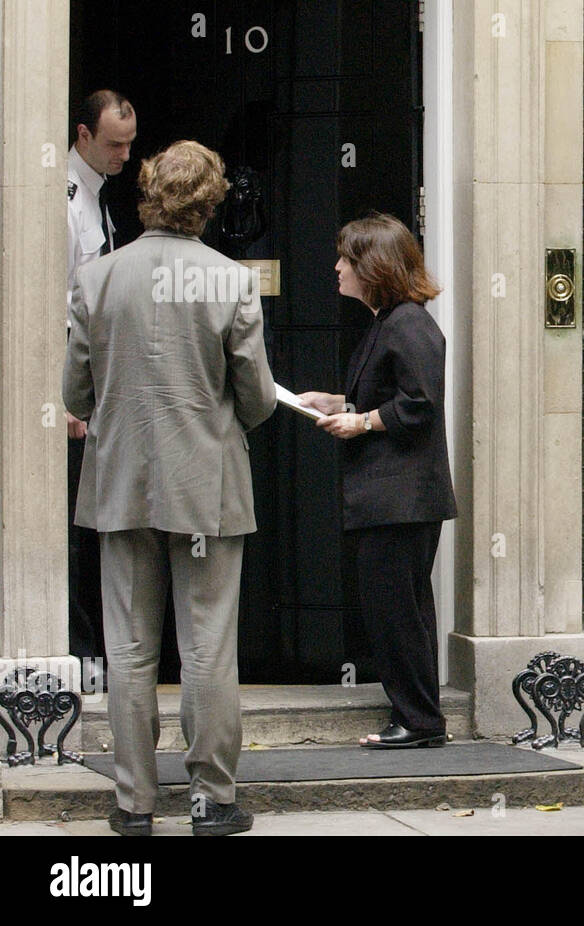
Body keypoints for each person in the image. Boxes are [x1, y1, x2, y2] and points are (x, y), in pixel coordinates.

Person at [64, 140, 276, 836]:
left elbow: (76, 392)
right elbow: (258, 400)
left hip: (122, 480)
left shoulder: (98, 279)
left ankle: (134, 804)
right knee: (208, 644)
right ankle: (213, 799)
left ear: (148, 192)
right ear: (211, 204)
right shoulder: (230, 282)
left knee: (128, 647)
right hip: (207, 485)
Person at [298, 213, 456, 750]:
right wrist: (337, 402)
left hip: (401, 499)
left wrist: (360, 422)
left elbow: (419, 405)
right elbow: (391, 396)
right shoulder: (389, 322)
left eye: (347, 258)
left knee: (396, 611)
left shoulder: (408, 323)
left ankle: (417, 720)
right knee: (400, 608)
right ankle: (419, 716)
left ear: (374, 267)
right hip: (393, 499)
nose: (337, 267)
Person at [66, 90, 138, 684]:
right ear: (83, 135)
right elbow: (52, 304)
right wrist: (62, 396)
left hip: (102, 391)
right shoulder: (66, 200)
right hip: (78, 393)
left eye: (130, 143)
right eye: (114, 143)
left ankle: (96, 654)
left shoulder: (97, 197)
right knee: (74, 528)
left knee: (93, 526)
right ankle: (79, 654)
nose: (124, 153)